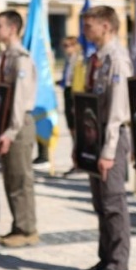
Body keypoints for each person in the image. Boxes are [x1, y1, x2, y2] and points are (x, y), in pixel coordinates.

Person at [73, 6, 133, 270]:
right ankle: (105, 257)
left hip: (112, 138)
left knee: (112, 202)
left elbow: (118, 110)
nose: (85, 32)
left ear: (106, 26)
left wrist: (108, 151)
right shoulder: (96, 59)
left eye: (89, 26)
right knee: (100, 202)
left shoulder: (117, 60)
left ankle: (119, 264)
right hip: (95, 137)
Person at [0, 10, 39, 247]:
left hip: (19, 125)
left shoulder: (21, 58)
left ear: (12, 29)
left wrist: (10, 132)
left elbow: (19, 101)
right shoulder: (7, 56)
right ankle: (18, 225)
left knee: (21, 178)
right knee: (11, 178)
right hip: (10, 124)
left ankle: (27, 229)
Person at [60, 36, 83, 175]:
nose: (66, 48)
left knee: (77, 130)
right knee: (71, 129)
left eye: (69, 45)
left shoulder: (79, 61)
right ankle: (76, 160)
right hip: (67, 93)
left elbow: (78, 81)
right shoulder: (68, 61)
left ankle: (79, 161)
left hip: (75, 95)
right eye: (65, 46)